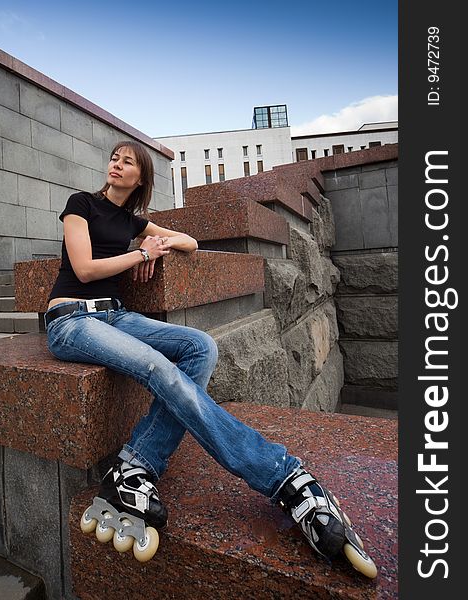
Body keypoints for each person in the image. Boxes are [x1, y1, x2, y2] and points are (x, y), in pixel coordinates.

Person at [44, 140, 376, 576]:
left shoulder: (132, 220)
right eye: (114, 158)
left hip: (115, 316)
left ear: (141, 177)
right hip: (71, 320)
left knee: (202, 347)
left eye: (127, 162)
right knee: (156, 366)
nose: (116, 164)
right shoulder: (81, 204)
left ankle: (134, 467)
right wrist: (141, 255)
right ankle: (282, 477)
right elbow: (84, 268)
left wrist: (156, 244)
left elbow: (191, 241)